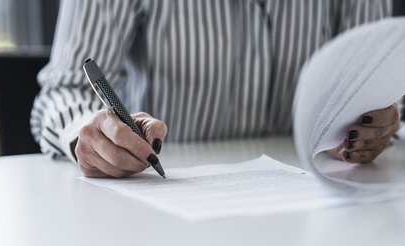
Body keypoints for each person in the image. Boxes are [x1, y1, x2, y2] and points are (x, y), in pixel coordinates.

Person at [30, 0, 401, 178]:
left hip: (323, 195)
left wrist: (380, 121)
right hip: (155, 207)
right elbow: (66, 90)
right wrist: (90, 134)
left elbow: (378, 78)